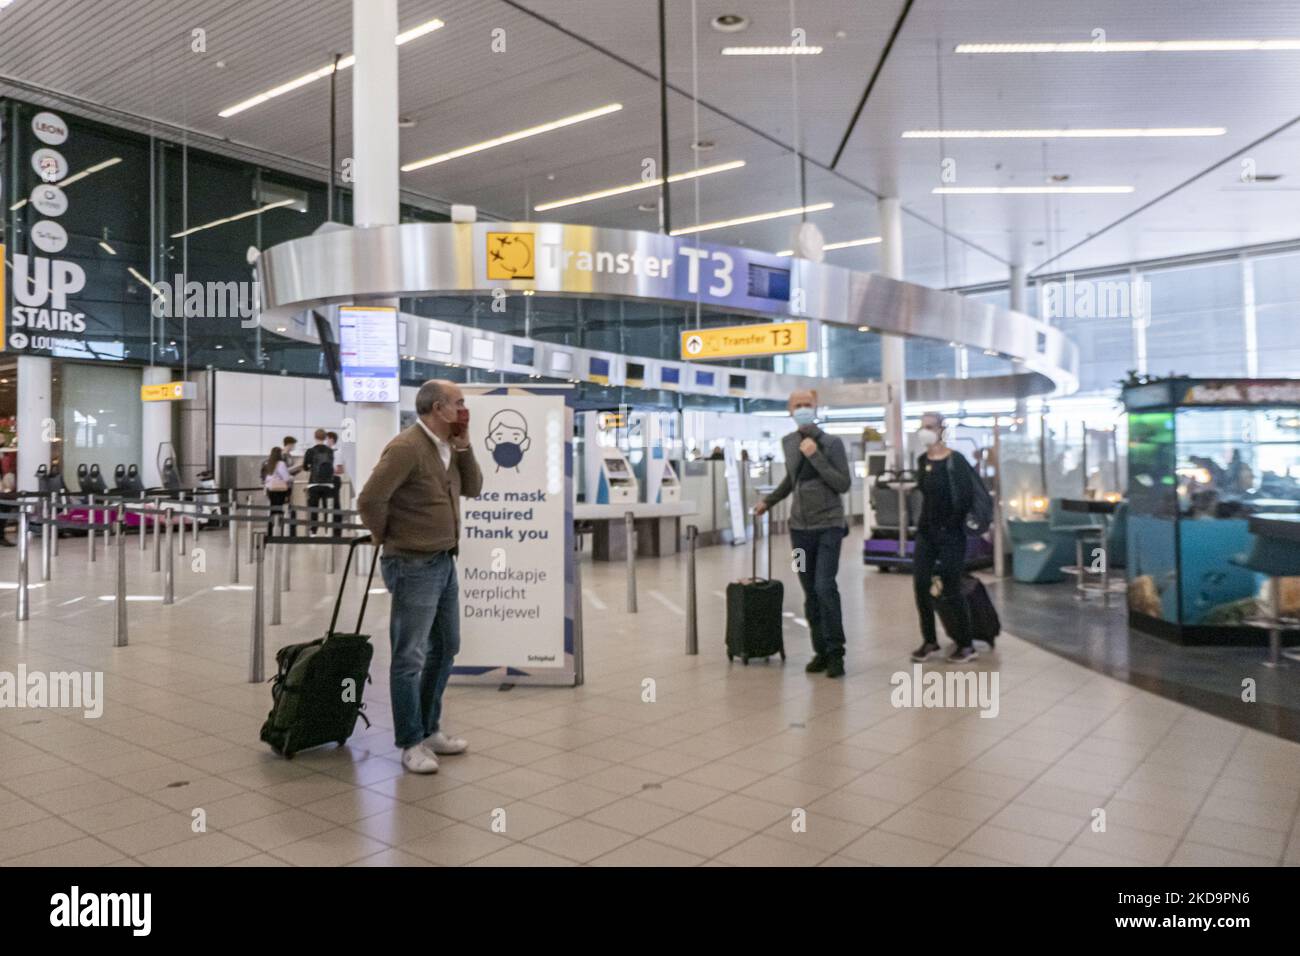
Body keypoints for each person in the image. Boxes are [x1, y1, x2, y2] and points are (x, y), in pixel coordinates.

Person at [358, 380, 483, 775]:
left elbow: (475, 487)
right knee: (409, 656)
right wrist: (389, 536)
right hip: (412, 564)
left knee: (446, 646)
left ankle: (430, 729)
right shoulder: (406, 448)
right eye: (458, 403)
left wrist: (464, 446)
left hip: (444, 560)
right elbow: (370, 499)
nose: (464, 409)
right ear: (437, 408)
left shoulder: (447, 447)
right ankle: (410, 741)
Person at [755, 389, 852, 678]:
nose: (802, 409)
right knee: (809, 590)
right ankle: (819, 650)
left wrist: (817, 457)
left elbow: (842, 483)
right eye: (797, 405)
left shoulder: (832, 444)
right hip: (798, 532)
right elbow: (792, 480)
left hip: (829, 528)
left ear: (816, 407)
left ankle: (836, 652)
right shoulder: (788, 443)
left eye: (807, 405)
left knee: (825, 586)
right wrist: (769, 501)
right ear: (789, 410)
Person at [909, 412, 980, 664]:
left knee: (951, 586)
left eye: (929, 426)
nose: (924, 431)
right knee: (920, 585)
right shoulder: (921, 461)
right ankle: (929, 640)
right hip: (926, 533)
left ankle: (965, 643)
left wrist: (951, 525)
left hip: (951, 534)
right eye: (921, 426)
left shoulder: (955, 461)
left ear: (941, 429)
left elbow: (966, 497)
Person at [302, 429, 334, 534]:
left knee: (313, 508)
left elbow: (305, 467)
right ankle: (327, 531)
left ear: (315, 437)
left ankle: (313, 532)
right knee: (327, 508)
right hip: (328, 484)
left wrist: (310, 467)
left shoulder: (310, 451)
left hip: (314, 483)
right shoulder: (330, 451)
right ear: (325, 438)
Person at [261, 446, 291, 535]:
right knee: (279, 510)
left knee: (272, 510)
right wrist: (291, 478)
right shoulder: (281, 463)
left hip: (270, 489)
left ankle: (271, 531)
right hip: (279, 490)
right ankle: (279, 531)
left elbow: (264, 477)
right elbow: (286, 478)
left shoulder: (267, 463)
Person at [326, 431, 344, 538]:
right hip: (328, 480)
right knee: (328, 504)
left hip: (334, 479)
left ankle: (337, 531)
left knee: (335, 504)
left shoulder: (337, 451)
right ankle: (329, 528)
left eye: (326, 439)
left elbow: (339, 469)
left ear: (331, 439)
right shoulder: (327, 452)